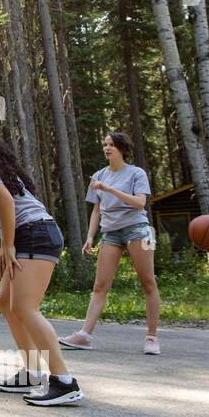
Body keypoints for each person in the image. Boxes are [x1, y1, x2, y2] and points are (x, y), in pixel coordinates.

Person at [0, 112, 83, 406]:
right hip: (31, 232)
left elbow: (7, 201)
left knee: (25, 307)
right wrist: (6, 243)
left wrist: (7, 245)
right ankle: (33, 371)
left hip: (34, 233)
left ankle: (64, 381)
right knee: (8, 304)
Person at [59, 132, 161, 354]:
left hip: (140, 230)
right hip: (110, 233)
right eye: (105, 144)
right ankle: (84, 336)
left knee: (148, 282)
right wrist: (89, 236)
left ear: (122, 149)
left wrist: (110, 189)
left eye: (112, 145)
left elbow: (140, 203)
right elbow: (96, 209)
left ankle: (152, 338)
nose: (107, 148)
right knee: (100, 285)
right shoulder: (98, 175)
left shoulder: (136, 173)